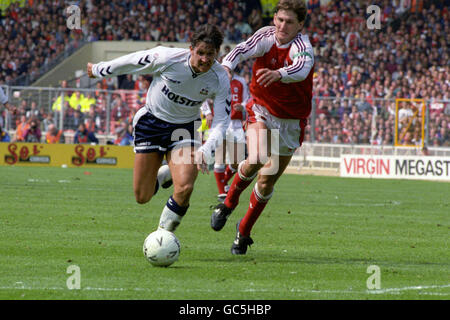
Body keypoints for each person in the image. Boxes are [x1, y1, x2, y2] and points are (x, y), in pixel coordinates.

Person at [87, 24, 231, 233]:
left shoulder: (220, 79)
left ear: (217, 53)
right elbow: (132, 62)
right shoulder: (167, 58)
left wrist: (206, 149)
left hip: (185, 130)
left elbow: (221, 122)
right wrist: (99, 70)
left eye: (210, 54)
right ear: (191, 49)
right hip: (151, 124)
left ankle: (162, 237)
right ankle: (163, 175)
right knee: (142, 197)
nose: (204, 59)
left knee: (185, 188)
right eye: (200, 53)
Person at [211, 0, 315, 255]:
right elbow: (239, 50)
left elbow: (302, 69)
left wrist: (279, 74)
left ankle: (243, 231)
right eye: (279, 19)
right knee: (256, 157)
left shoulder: (303, 47)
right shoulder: (266, 36)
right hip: (261, 109)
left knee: (266, 183)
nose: (282, 26)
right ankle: (228, 203)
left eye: (289, 22)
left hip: (291, 122)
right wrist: (226, 67)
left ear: (300, 24)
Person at [202, 69, 250, 202]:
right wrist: (207, 112)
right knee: (220, 157)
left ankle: (224, 182)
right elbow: (202, 97)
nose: (227, 73)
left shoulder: (240, 82)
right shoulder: (214, 80)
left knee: (237, 160)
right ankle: (222, 192)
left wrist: (243, 106)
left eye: (229, 70)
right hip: (220, 122)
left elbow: (247, 98)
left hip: (235, 123)